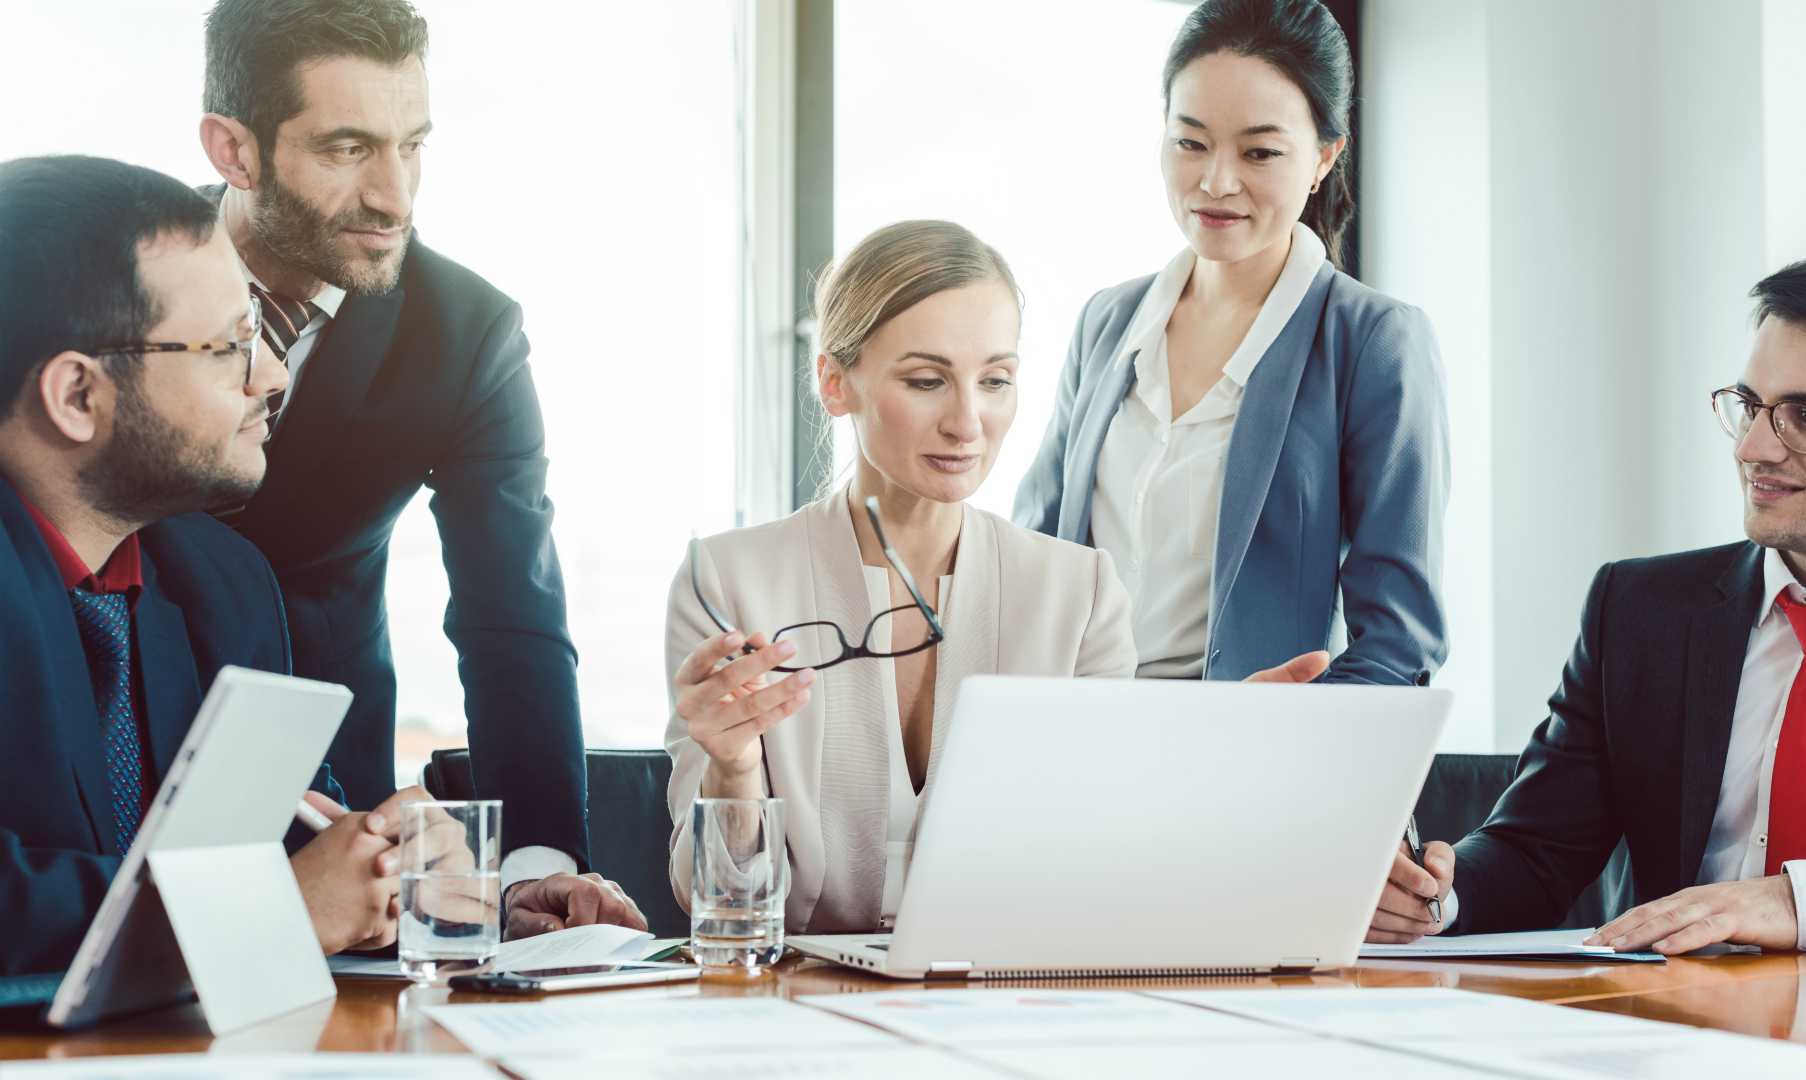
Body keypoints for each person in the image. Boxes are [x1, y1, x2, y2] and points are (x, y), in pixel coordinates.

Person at [194, 0, 640, 937]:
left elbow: (511, 611)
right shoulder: (106, 272)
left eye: (413, 145)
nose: (397, 196)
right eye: (348, 149)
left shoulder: (466, 333)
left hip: (332, 819)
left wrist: (532, 863)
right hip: (81, 790)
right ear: (235, 150)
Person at [1372, 247, 1806, 954]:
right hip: (1671, 1025)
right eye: (1751, 406)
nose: (1753, 447)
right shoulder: (1641, 609)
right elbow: (1538, 847)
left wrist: (1801, 900)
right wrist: (1436, 898)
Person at [0, 153, 469, 973]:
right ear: (77, 396)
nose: (273, 376)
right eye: (231, 347)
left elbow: (292, 830)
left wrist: (396, 873)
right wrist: (268, 910)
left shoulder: (223, 579)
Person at [663, 221, 1136, 933]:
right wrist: (731, 769)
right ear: (834, 383)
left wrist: (1186, 777)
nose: (968, 422)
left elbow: (1105, 865)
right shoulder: (729, 581)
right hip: (798, 1008)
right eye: (926, 381)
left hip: (1010, 1003)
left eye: (996, 381)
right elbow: (717, 908)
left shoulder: (1080, 594)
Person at [1014, 0, 1448, 685]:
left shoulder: (1372, 341)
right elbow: (1030, 559)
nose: (1216, 182)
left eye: (1259, 152)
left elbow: (1401, 638)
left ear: (1323, 157)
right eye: (1190, 142)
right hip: (1079, 746)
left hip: (1253, 759)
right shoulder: (1107, 322)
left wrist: (1272, 734)